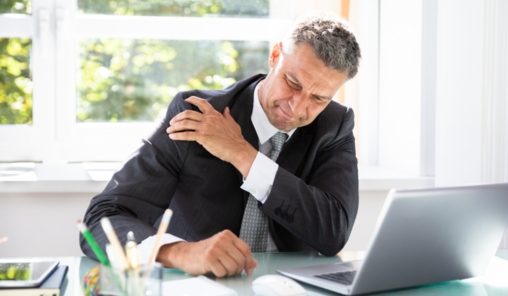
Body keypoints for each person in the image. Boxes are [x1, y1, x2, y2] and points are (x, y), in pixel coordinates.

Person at [81, 11, 361, 278]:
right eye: (292, 82)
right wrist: (177, 252)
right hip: (196, 291)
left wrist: (244, 155)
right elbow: (102, 219)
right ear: (275, 55)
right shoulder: (197, 114)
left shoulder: (334, 126)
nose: (297, 106)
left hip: (291, 293)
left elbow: (333, 233)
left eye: (319, 99)